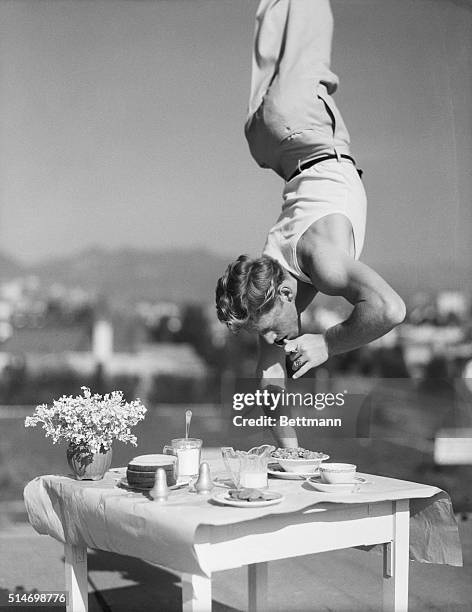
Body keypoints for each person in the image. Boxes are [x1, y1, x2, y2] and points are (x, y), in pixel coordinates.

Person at [216, 0, 406, 448]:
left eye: (266, 331)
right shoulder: (268, 280)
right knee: (276, 11)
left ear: (285, 294)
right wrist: (294, 454)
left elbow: (390, 309)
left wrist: (328, 343)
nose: (271, 340)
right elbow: (269, 381)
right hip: (265, 142)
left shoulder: (321, 262)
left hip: (297, 120)